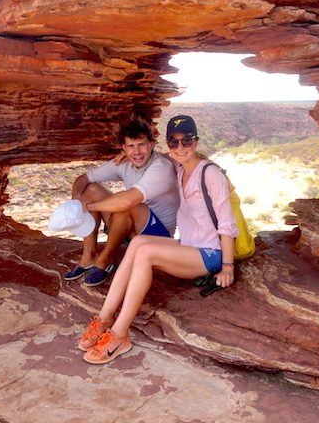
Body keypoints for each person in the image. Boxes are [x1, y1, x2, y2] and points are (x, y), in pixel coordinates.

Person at [78, 115, 238, 364]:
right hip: (187, 247)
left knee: (146, 252)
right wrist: (128, 154)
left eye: (186, 140)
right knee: (140, 243)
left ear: (195, 141)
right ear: (166, 145)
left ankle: (120, 335)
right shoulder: (178, 168)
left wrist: (228, 267)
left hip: (209, 253)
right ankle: (104, 319)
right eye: (174, 142)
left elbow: (227, 223)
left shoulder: (211, 174)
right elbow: (156, 157)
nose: (180, 147)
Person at [64, 117, 180, 287]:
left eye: (141, 144)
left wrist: (87, 207)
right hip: (132, 226)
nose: (137, 152)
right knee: (91, 190)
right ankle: (88, 256)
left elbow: (129, 200)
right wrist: (77, 199)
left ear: (152, 144)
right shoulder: (125, 162)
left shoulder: (161, 167)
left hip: (159, 236)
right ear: (124, 148)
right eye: (131, 146)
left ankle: (104, 261)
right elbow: (84, 178)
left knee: (129, 203)